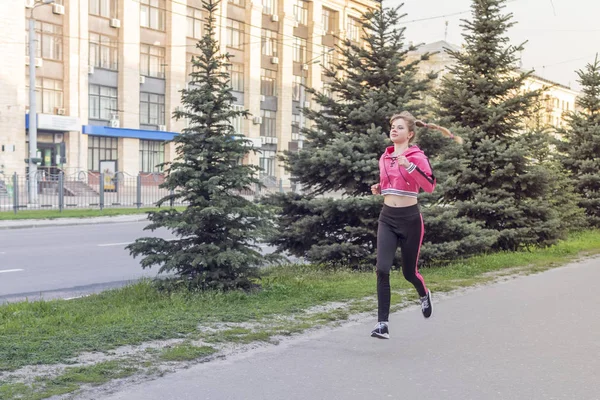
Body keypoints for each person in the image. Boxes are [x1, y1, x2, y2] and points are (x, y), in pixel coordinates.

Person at [370, 111, 461, 339]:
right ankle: (382, 324)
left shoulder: (417, 156)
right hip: (387, 218)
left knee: (409, 272)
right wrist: (380, 188)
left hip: (410, 219)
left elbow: (429, 186)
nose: (394, 130)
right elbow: (390, 182)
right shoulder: (385, 157)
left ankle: (424, 294)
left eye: (399, 127)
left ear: (410, 134)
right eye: (392, 126)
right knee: (382, 269)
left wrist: (409, 166)